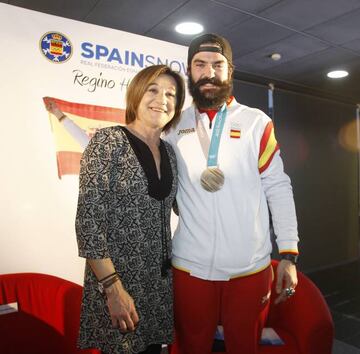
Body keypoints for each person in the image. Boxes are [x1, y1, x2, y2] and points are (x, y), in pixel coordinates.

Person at [163, 34, 299, 354]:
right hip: (189, 266)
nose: (209, 73)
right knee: (191, 346)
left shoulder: (256, 122)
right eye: (200, 64)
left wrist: (289, 254)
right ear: (189, 71)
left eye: (217, 65)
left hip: (248, 268)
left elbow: (278, 187)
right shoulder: (172, 125)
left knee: (243, 347)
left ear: (230, 71)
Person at [75, 64, 185, 354]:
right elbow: (88, 222)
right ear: (136, 94)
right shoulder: (108, 141)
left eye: (171, 94)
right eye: (153, 90)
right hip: (118, 283)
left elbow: (187, 208)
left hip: (158, 285)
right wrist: (113, 289)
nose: (162, 100)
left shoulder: (171, 153)